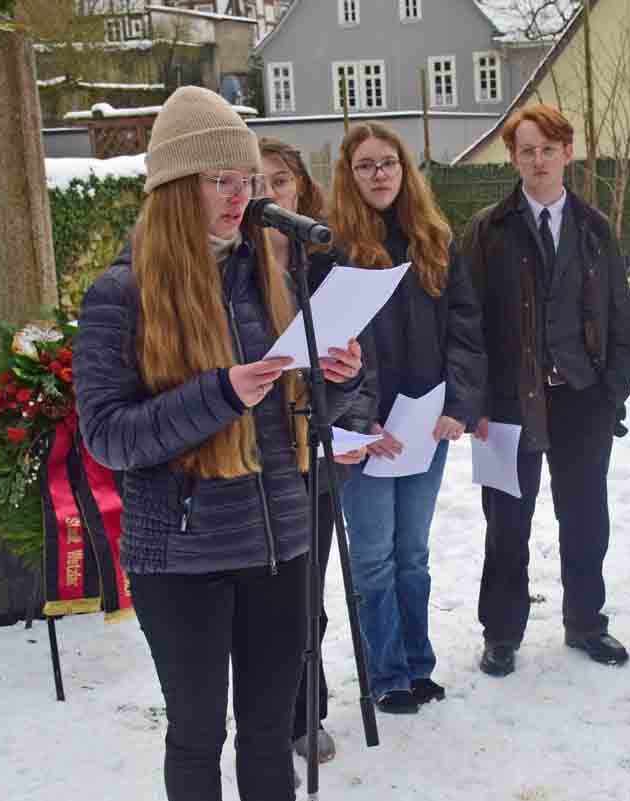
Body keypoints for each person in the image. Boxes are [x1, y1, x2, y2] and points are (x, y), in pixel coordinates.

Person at [74, 86, 363, 801]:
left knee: (269, 735)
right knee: (197, 737)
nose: (241, 197)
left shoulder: (268, 275)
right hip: (183, 558)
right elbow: (107, 436)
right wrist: (222, 393)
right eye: (221, 180)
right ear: (177, 187)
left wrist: (336, 381)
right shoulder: (121, 293)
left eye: (248, 180)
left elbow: (297, 418)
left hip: (280, 545)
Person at [459, 104, 630, 677]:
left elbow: (620, 317)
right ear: (513, 158)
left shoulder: (594, 228)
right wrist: (475, 403)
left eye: (549, 150)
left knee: (585, 517)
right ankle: (501, 632)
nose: (539, 161)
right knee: (506, 522)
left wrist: (611, 393)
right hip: (507, 403)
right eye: (527, 151)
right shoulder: (487, 230)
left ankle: (586, 621)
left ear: (568, 153)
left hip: (582, 398)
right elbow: (466, 323)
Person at [330, 122, 486, 714]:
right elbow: (329, 346)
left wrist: (458, 405)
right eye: (366, 165)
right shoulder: (331, 248)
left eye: (389, 163)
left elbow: (466, 328)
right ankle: (387, 673)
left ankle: (418, 665)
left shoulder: (434, 240)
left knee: (413, 555)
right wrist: (357, 421)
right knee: (374, 558)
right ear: (349, 175)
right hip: (367, 430)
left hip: (425, 424)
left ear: (405, 169)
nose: (379, 175)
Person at [253, 136, 373, 763]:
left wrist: (351, 418)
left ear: (299, 188)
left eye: (279, 180)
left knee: (309, 595)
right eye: (256, 182)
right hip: (251, 458)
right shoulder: (230, 271)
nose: (269, 193)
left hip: (315, 458)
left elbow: (360, 368)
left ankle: (306, 710)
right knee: (261, 599)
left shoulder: (326, 265)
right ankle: (261, 713)